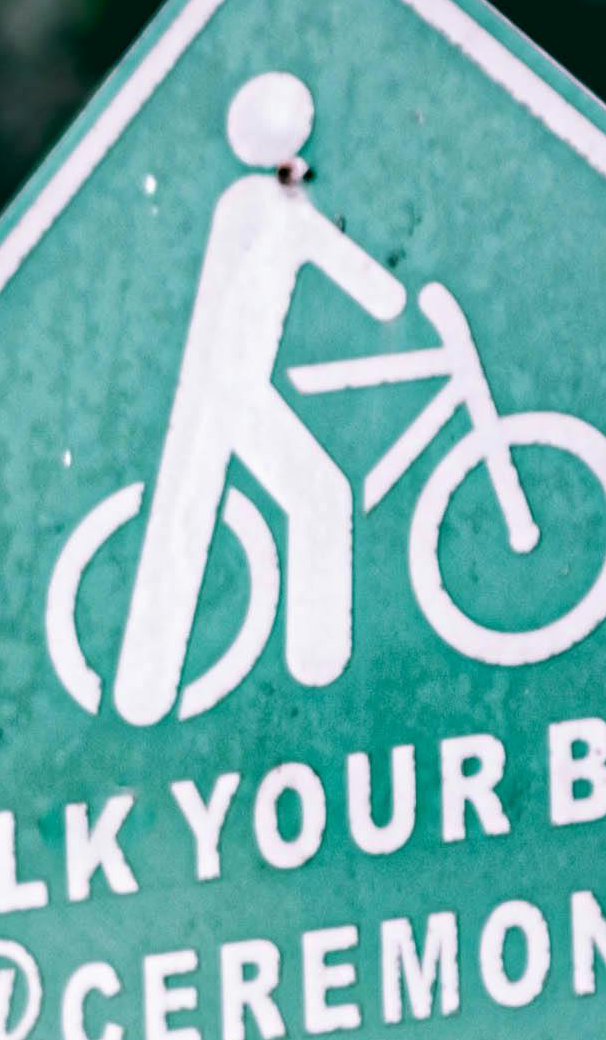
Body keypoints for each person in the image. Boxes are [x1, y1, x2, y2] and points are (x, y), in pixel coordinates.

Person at [113, 71, 407, 724]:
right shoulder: (277, 211)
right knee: (312, 498)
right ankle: (316, 673)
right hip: (232, 390)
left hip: (218, 386)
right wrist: (400, 304)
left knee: (189, 520)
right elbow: (373, 287)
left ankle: (153, 687)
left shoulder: (239, 207)